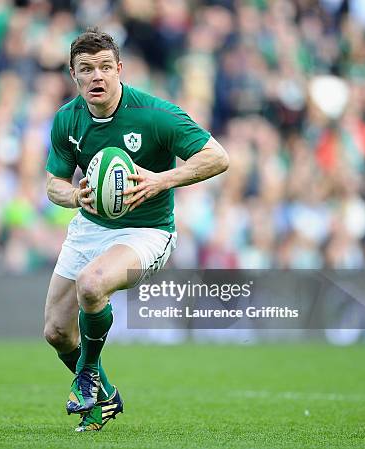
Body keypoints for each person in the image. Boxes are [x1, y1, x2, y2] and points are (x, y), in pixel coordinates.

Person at [44, 28, 229, 431]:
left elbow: (217, 157)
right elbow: (53, 185)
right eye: (87, 69)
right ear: (73, 75)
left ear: (120, 70)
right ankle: (104, 395)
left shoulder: (154, 114)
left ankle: (87, 377)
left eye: (105, 67)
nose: (97, 77)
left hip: (147, 232)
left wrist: (162, 180)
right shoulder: (66, 120)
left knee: (92, 285)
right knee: (57, 331)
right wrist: (75, 197)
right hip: (89, 227)